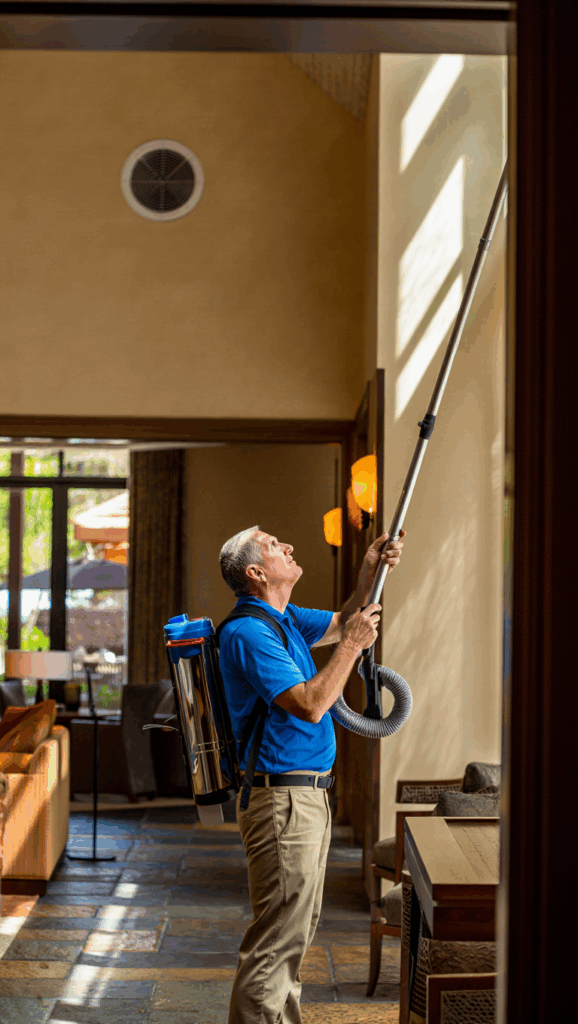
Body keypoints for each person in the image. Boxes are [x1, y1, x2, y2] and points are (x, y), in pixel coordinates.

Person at [218, 525, 405, 1024]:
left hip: (307, 797)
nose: (290, 545)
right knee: (277, 941)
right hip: (282, 801)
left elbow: (345, 622)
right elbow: (312, 704)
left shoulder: (282, 620)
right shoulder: (250, 632)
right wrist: (353, 650)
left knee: (292, 937)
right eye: (276, 545)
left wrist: (370, 572)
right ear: (256, 573)